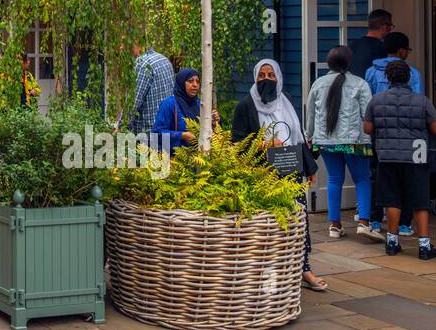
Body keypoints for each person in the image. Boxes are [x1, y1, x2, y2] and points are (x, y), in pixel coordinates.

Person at [231, 59, 327, 291]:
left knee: (298, 221)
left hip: (291, 170)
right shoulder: (245, 106)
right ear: (255, 78)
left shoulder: (286, 102)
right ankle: (269, 273)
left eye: (270, 75)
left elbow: (298, 136)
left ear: (278, 78)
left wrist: (310, 168)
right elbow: (237, 141)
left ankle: (304, 268)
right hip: (262, 174)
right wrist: (262, 143)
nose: (266, 79)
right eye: (261, 75)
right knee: (268, 227)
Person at [365, 59, 436, 260]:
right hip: (416, 156)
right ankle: (424, 246)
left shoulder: (376, 100)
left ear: (387, 77)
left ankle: (392, 242)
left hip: (388, 155)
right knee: (419, 201)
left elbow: (367, 128)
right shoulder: (422, 101)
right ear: (409, 76)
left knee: (392, 199)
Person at [306, 45, 379, 242]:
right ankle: (364, 222)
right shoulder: (360, 84)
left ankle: (334, 225)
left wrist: (309, 136)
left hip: (326, 141)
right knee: (362, 179)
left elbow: (311, 113)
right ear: (348, 62)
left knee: (334, 179)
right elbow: (367, 115)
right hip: (354, 140)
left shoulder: (318, 84)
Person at [150, 69, 220, 155]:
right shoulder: (170, 104)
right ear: (181, 82)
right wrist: (182, 135)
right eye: (190, 81)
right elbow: (156, 133)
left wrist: (212, 123)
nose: (195, 85)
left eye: (197, 82)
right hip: (173, 162)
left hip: (197, 161)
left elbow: (209, 135)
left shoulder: (200, 105)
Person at [130, 46, 175, 134]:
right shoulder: (164, 59)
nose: (120, 47)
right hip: (167, 127)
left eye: (124, 42)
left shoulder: (142, 64)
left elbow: (134, 102)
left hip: (148, 131)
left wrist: (121, 127)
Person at [349, 9, 393, 80]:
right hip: (369, 89)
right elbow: (380, 76)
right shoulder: (380, 47)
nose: (390, 29)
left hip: (352, 88)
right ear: (384, 27)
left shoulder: (353, 45)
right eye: (390, 26)